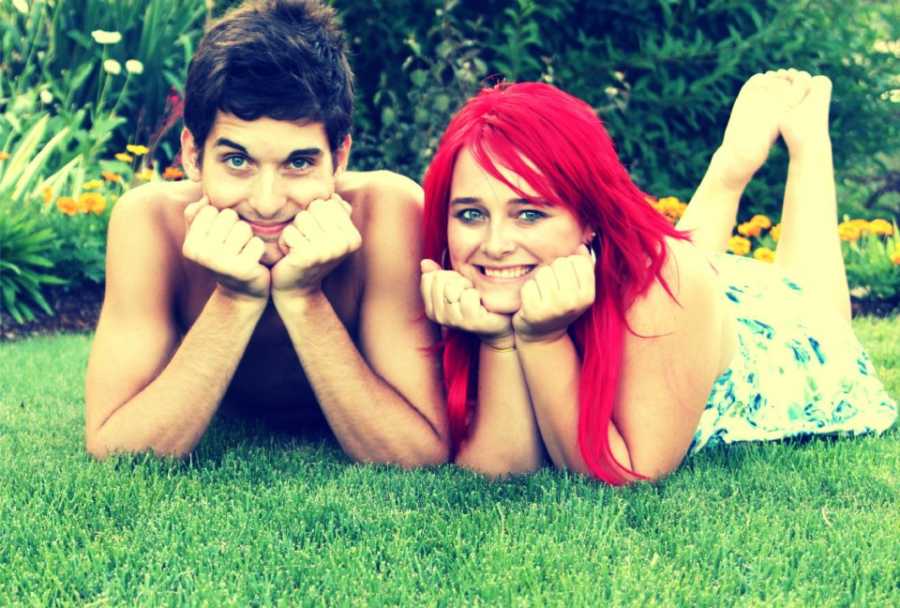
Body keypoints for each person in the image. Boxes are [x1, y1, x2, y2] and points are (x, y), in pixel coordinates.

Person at [419, 69, 897, 484]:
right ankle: (730, 166)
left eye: (528, 214)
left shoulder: (663, 283)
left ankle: (810, 145)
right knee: (685, 260)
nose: (495, 243)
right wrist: (501, 338)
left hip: (774, 346)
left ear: (588, 219)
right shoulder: (476, 284)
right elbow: (501, 467)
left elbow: (624, 474)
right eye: (470, 214)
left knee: (811, 308)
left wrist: (542, 340)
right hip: (690, 297)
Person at [84, 0, 448, 467]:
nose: (267, 201)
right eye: (238, 161)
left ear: (339, 158)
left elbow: (416, 451)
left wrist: (304, 298)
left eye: (299, 163)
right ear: (192, 155)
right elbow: (118, 451)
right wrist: (235, 299)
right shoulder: (149, 223)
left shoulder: (388, 212)